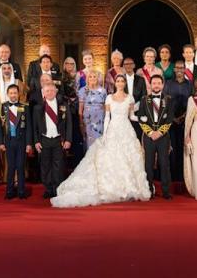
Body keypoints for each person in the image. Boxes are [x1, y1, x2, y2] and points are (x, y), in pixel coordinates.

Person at [51, 74, 151, 207]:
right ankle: (112, 187)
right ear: (115, 83)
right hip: (113, 130)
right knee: (111, 158)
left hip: (126, 130)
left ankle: (128, 187)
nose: (120, 83)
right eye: (118, 81)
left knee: (128, 158)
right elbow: (107, 117)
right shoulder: (109, 97)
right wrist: (105, 133)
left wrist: (142, 119)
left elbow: (132, 116)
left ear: (125, 83)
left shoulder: (130, 98)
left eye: (122, 81)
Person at [33, 82, 73, 199]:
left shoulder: (64, 105)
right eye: (47, 91)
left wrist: (68, 140)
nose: (49, 93)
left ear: (56, 91)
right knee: (45, 166)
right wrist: (36, 141)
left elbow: (69, 124)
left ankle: (57, 188)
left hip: (58, 140)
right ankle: (48, 188)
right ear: (43, 93)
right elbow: (34, 127)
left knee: (58, 166)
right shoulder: (38, 107)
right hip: (44, 140)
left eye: (52, 90)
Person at [137, 74, 173, 199]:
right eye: (154, 83)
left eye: (159, 83)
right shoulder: (144, 100)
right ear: (150, 85)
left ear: (162, 85)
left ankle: (166, 191)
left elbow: (169, 119)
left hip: (163, 137)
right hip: (149, 136)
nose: (156, 85)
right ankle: (149, 190)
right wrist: (151, 133)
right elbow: (141, 119)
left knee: (164, 163)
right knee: (148, 164)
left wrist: (160, 132)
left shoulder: (168, 99)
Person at [0, 84, 32, 200]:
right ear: (8, 94)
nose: (13, 95)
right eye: (11, 93)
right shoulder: (2, 107)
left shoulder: (25, 106)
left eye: (15, 93)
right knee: (10, 167)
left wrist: (28, 144)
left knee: (20, 166)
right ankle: (9, 191)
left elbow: (29, 127)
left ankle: (21, 191)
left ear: (18, 94)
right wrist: (1, 142)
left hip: (21, 141)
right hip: (8, 141)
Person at [165, 60, 193, 181]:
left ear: (185, 69)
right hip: (171, 120)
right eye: (177, 68)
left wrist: (184, 117)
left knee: (184, 148)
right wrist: (173, 118)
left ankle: (184, 176)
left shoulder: (190, 85)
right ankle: (174, 176)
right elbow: (165, 102)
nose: (180, 70)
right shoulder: (168, 84)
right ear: (174, 70)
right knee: (173, 148)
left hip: (186, 120)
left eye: (182, 68)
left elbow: (193, 102)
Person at [78, 69, 108, 149]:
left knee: (100, 142)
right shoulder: (82, 90)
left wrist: (106, 120)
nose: (92, 78)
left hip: (100, 120)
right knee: (89, 143)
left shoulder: (103, 91)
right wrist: (81, 123)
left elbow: (105, 107)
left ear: (98, 78)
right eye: (90, 77)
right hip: (88, 121)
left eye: (94, 76)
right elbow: (80, 109)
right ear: (87, 79)